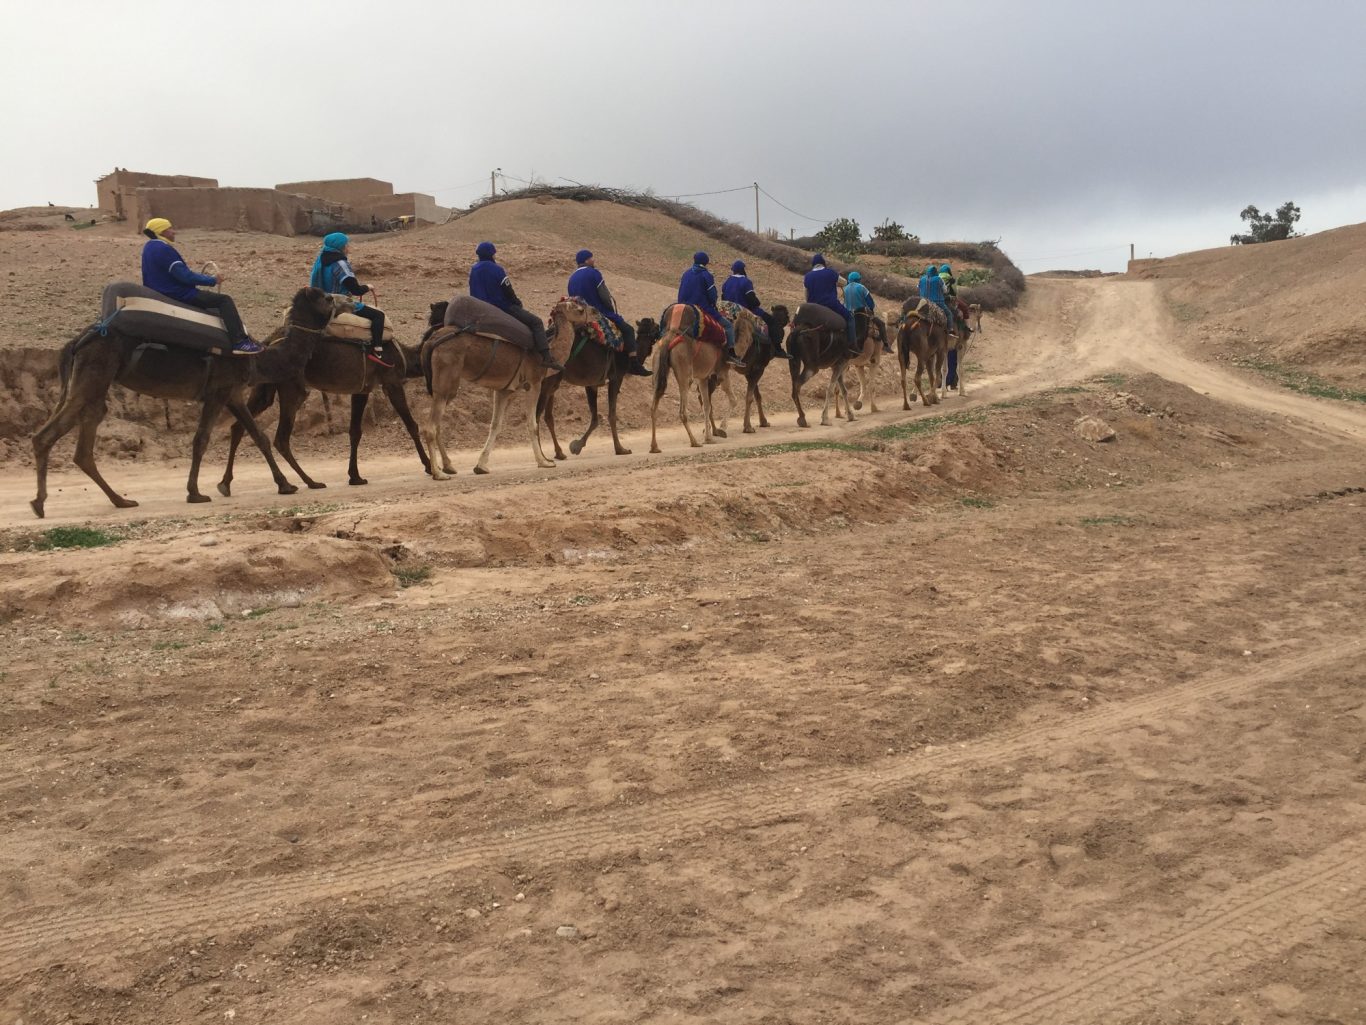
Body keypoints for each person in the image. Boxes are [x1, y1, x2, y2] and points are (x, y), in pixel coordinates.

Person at [139, 218, 262, 354]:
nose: (174, 232)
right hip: (177, 293)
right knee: (224, 300)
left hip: (159, 292)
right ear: (161, 231)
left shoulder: (149, 247)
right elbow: (185, 276)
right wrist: (212, 280)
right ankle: (240, 342)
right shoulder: (164, 249)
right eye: (170, 229)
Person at [468, 241, 563, 371]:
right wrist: (517, 303)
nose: (495, 256)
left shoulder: (473, 269)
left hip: (480, 309)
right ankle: (546, 357)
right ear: (491, 254)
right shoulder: (497, 269)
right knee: (536, 322)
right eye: (494, 254)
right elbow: (508, 290)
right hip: (501, 307)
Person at [309, 232, 392, 367]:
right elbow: (356, 290)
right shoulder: (340, 263)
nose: (349, 247)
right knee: (378, 316)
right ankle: (377, 351)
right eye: (347, 244)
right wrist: (368, 287)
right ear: (340, 247)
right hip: (338, 303)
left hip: (321, 301)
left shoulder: (322, 259)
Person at [566, 249, 650, 376]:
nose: (593, 260)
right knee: (628, 330)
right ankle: (634, 363)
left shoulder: (571, 278)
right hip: (597, 312)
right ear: (586, 260)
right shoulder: (594, 273)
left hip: (579, 314)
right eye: (591, 258)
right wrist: (610, 310)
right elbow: (604, 295)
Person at [676, 252, 746, 368]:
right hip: (702, 308)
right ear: (706, 262)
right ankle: (731, 354)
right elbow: (713, 295)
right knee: (728, 326)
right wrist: (713, 304)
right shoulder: (706, 275)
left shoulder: (686, 273)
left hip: (682, 307)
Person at [722, 259, 789, 359]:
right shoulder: (746, 282)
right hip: (745, 311)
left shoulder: (727, 282)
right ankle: (777, 349)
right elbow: (751, 300)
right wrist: (757, 302)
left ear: (733, 270)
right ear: (743, 270)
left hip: (728, 311)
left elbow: (723, 297)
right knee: (772, 322)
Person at [804, 253, 859, 354]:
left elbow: (806, 295)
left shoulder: (807, 276)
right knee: (850, 318)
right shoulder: (830, 273)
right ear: (823, 264)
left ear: (813, 264)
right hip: (831, 304)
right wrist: (834, 282)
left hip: (813, 307)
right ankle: (852, 346)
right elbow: (845, 282)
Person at [842, 270, 888, 354]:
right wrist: (871, 309)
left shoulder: (845, 289)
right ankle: (885, 345)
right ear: (859, 279)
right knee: (881, 324)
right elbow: (871, 303)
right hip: (860, 313)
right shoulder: (862, 287)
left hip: (847, 313)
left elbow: (844, 302)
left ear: (849, 280)